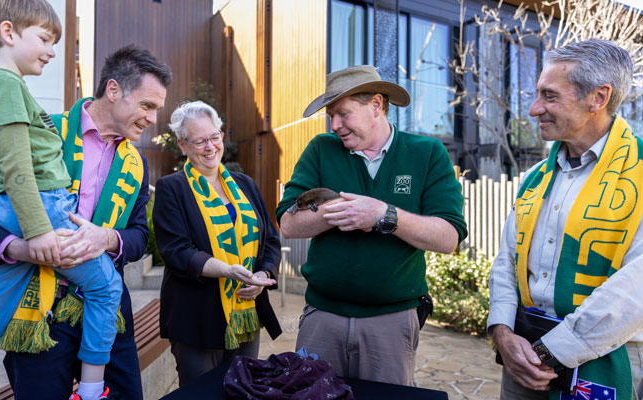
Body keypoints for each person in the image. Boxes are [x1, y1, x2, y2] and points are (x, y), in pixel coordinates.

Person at [0, 43, 172, 399]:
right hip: (39, 312)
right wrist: (18, 248)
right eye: (147, 105)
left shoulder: (137, 164)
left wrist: (107, 239)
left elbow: (140, 238)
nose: (153, 119)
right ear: (113, 90)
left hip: (108, 313)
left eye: (157, 109)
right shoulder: (43, 130)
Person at [275, 65, 468, 386]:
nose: (334, 125)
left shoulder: (427, 153)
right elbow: (289, 225)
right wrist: (343, 210)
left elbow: (448, 238)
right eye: (331, 116)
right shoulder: (322, 150)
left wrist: (385, 215)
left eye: (343, 114)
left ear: (376, 105)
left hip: (392, 322)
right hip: (322, 317)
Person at [487, 39, 643, 399]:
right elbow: (506, 261)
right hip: (522, 354)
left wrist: (551, 351)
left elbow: (634, 290)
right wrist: (503, 333)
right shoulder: (537, 176)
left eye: (549, 96)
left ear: (598, 98)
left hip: (607, 355)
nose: (533, 109)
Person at [153, 100, 282, 387]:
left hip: (246, 312)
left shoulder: (245, 184)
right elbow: (176, 251)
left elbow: (270, 240)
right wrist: (228, 271)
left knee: (244, 391)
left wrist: (262, 275)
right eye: (199, 141)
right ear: (183, 145)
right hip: (196, 319)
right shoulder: (171, 188)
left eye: (214, 137)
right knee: (202, 394)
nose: (210, 147)